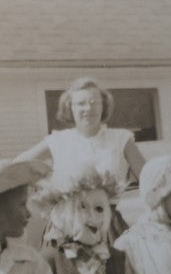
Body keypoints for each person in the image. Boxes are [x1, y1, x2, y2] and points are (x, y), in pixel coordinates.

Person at [16, 77, 147, 244]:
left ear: (103, 106)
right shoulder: (58, 140)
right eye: (81, 103)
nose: (88, 108)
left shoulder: (121, 139)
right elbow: (19, 165)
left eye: (94, 102)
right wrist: (46, 185)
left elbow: (151, 179)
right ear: (70, 107)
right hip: (66, 225)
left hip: (107, 226)